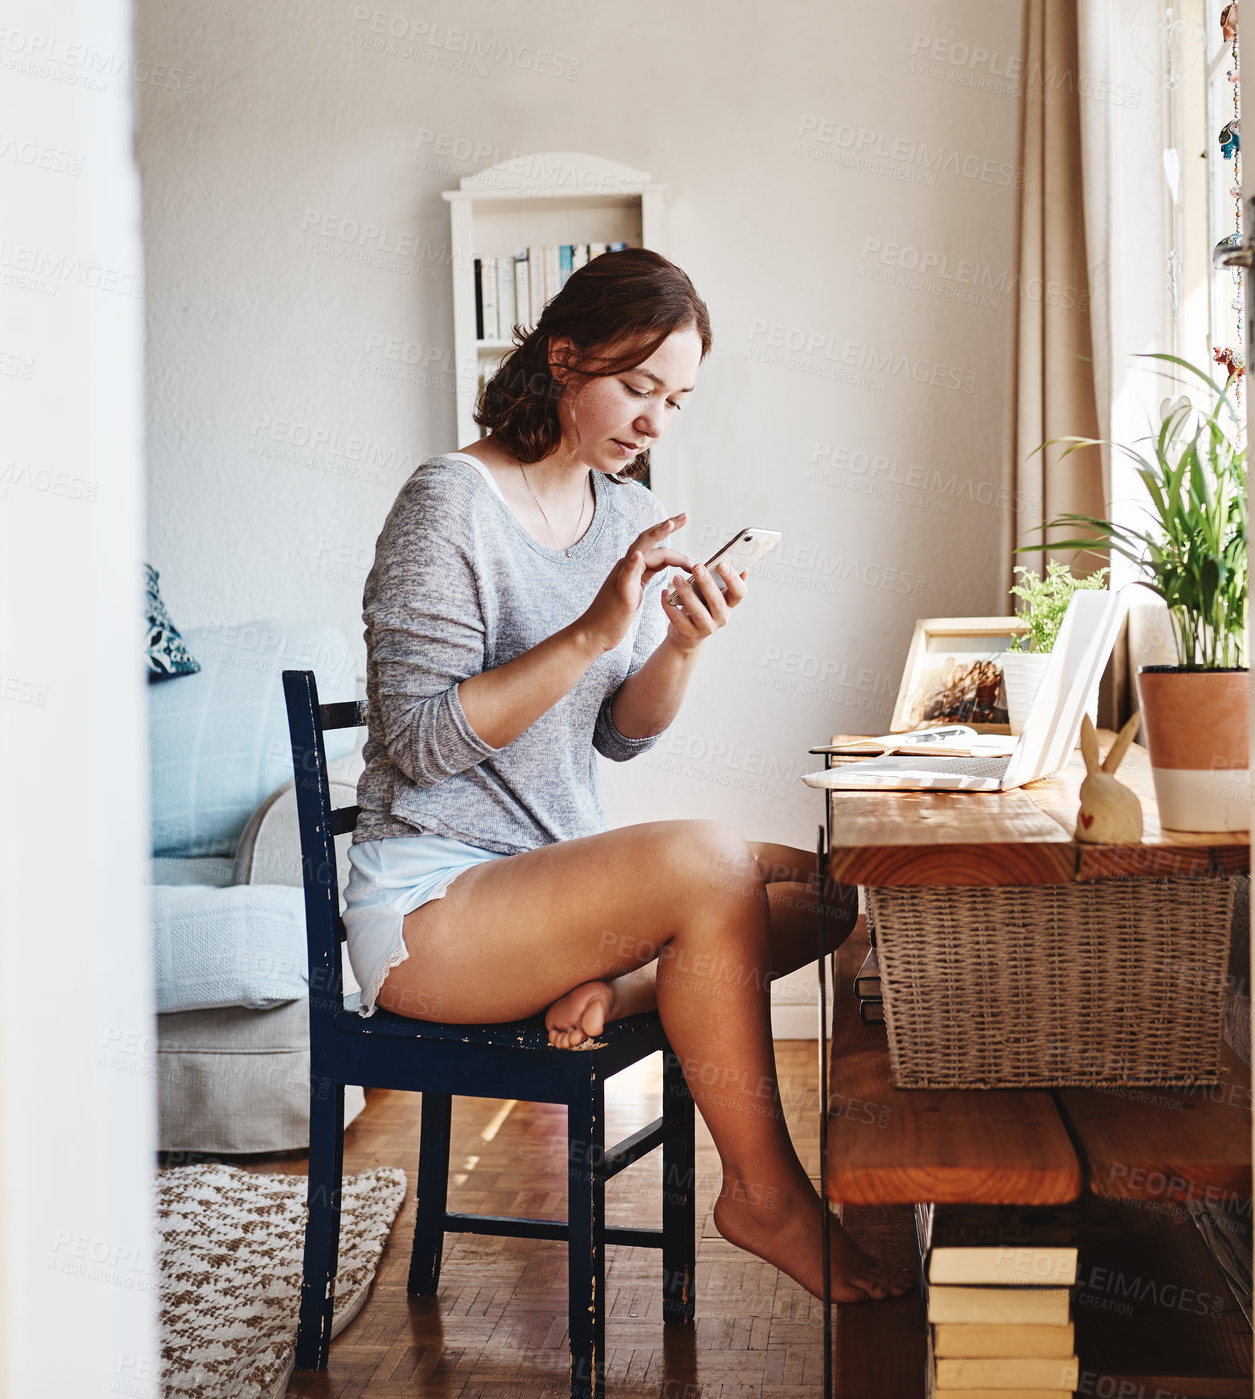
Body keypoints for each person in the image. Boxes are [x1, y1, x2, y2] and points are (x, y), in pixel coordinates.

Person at [343, 247, 910, 1304]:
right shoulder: (446, 502)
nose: (653, 422)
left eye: (675, 400)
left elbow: (617, 735)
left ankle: (612, 984)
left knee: (833, 892)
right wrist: (595, 623)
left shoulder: (616, 511)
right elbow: (419, 741)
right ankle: (763, 1194)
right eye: (637, 387)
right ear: (562, 358)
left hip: (544, 895)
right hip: (430, 908)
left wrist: (677, 645)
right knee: (707, 862)